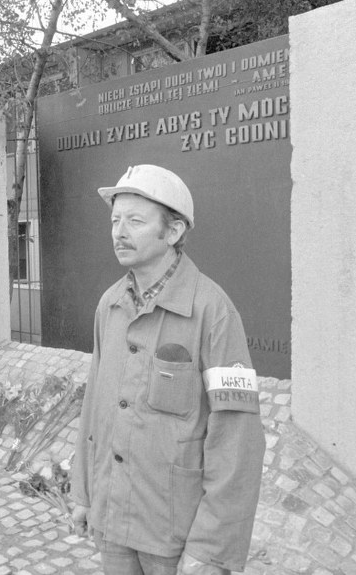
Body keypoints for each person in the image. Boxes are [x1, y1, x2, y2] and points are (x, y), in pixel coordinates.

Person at [69, 164, 265, 575]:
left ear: (173, 232)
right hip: (113, 523)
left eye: (135, 221)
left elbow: (238, 440)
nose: (118, 231)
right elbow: (95, 406)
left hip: (175, 537)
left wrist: (210, 551)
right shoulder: (111, 305)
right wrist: (85, 493)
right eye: (115, 219)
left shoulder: (214, 313)